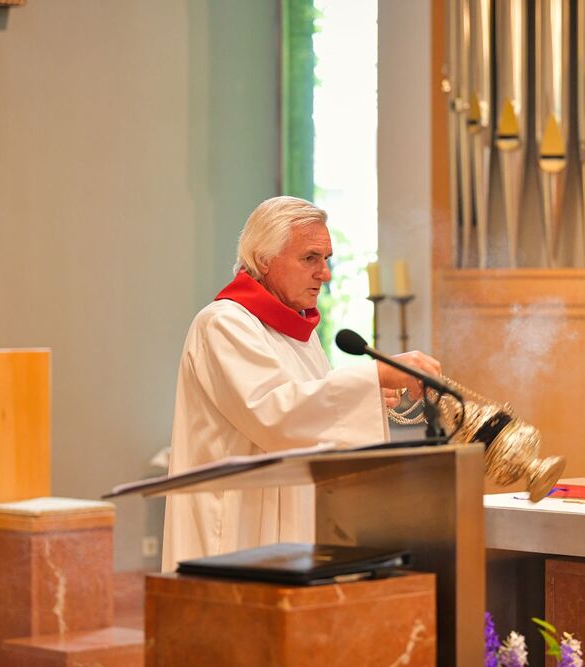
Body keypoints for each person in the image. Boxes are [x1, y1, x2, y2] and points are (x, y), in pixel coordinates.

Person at [161, 196, 440, 571]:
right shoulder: (225, 323)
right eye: (310, 258)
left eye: (326, 259)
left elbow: (311, 413)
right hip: (237, 525)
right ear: (263, 259)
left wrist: (366, 396)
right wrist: (372, 377)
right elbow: (275, 415)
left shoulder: (299, 334)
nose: (324, 273)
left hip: (292, 517)